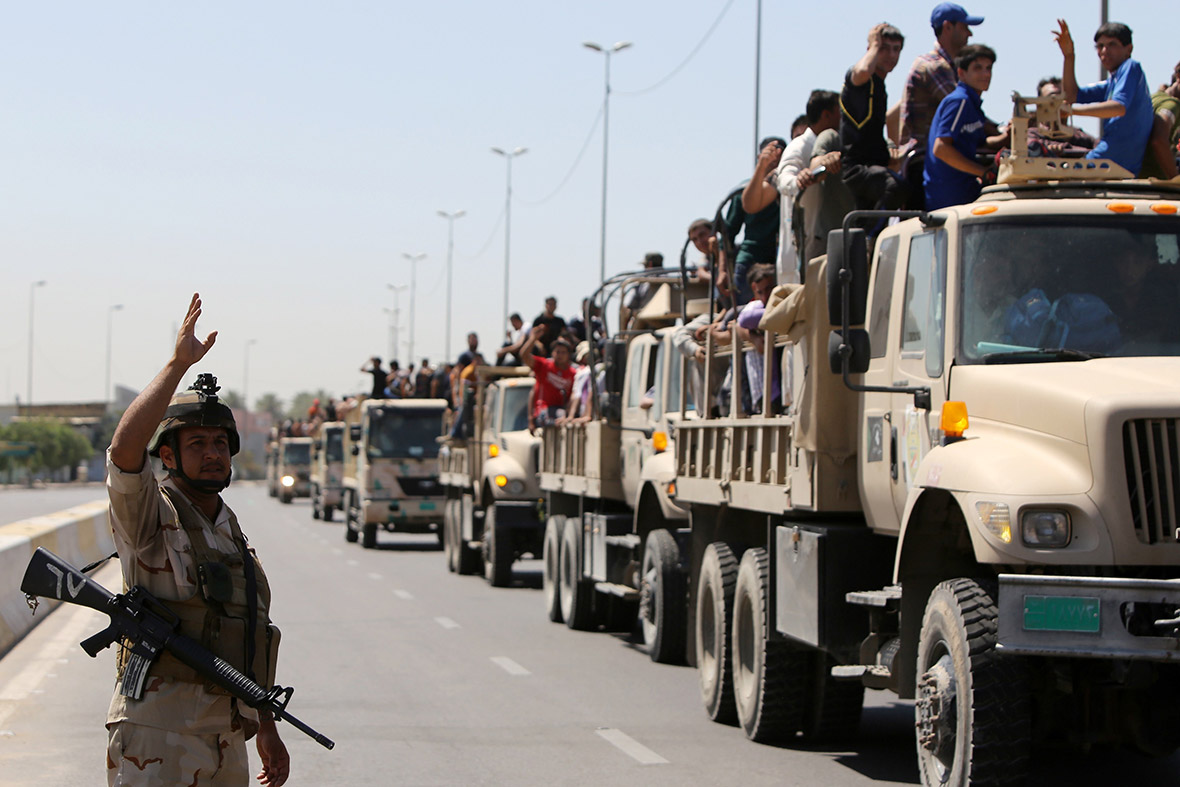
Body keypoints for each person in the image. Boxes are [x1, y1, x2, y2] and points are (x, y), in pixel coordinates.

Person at [105, 294, 288, 786]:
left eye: (219, 444)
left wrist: (265, 724)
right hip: (158, 730)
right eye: (197, 444)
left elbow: (248, 631)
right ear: (167, 455)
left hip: (228, 735)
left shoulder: (231, 532)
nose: (212, 455)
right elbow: (124, 451)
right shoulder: (150, 516)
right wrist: (176, 365)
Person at [900, 3, 985, 207]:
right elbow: (964, 111)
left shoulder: (947, 66)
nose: (969, 34)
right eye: (964, 27)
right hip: (927, 164)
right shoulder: (935, 66)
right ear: (948, 27)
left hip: (936, 160)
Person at [1053, 20, 1153, 175]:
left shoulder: (1130, 67)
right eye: (1100, 46)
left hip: (1113, 164)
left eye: (1112, 44)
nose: (1104, 51)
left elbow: (1118, 108)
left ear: (1129, 49)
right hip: (1106, 161)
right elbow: (1072, 95)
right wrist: (1069, 56)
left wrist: (1072, 111)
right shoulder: (1112, 83)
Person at [768, 90, 840, 283]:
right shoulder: (799, 147)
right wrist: (800, 179)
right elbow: (784, 180)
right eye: (839, 112)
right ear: (826, 115)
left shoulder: (835, 143)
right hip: (803, 243)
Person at [924, 44, 1008, 210]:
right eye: (978, 68)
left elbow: (979, 143)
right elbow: (940, 148)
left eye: (988, 68)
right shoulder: (959, 101)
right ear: (961, 73)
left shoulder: (972, 103)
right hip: (949, 196)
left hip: (965, 190)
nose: (986, 74)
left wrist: (1008, 137)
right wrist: (983, 172)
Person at [841, 23, 910, 214]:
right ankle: (871, 239)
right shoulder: (858, 79)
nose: (891, 55)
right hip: (858, 169)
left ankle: (869, 238)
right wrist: (874, 44)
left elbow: (889, 119)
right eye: (884, 48)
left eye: (896, 49)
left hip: (876, 166)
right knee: (895, 188)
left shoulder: (880, 86)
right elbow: (862, 71)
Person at [726, 137, 785, 304]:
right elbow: (727, 233)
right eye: (768, 155)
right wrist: (723, 270)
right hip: (750, 261)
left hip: (779, 260)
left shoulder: (786, 184)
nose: (773, 161)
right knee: (746, 313)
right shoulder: (744, 191)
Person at [521, 325, 576, 433]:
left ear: (569, 355)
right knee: (549, 419)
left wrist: (569, 414)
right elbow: (524, 356)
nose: (560, 355)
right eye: (557, 352)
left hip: (560, 411)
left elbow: (574, 396)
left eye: (563, 352)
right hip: (543, 410)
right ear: (552, 353)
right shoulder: (544, 366)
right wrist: (533, 339)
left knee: (563, 418)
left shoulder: (573, 373)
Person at [1028, 77, 1096, 155]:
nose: (1059, 103)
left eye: (1062, 97)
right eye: (1052, 98)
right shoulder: (1032, 135)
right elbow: (1034, 146)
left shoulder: (1079, 136)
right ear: (1040, 106)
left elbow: (1103, 148)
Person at [1141, 64, 1180, 179]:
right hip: (1155, 182)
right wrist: (1174, 179)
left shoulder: (1154, 97)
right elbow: (1158, 140)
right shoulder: (1171, 105)